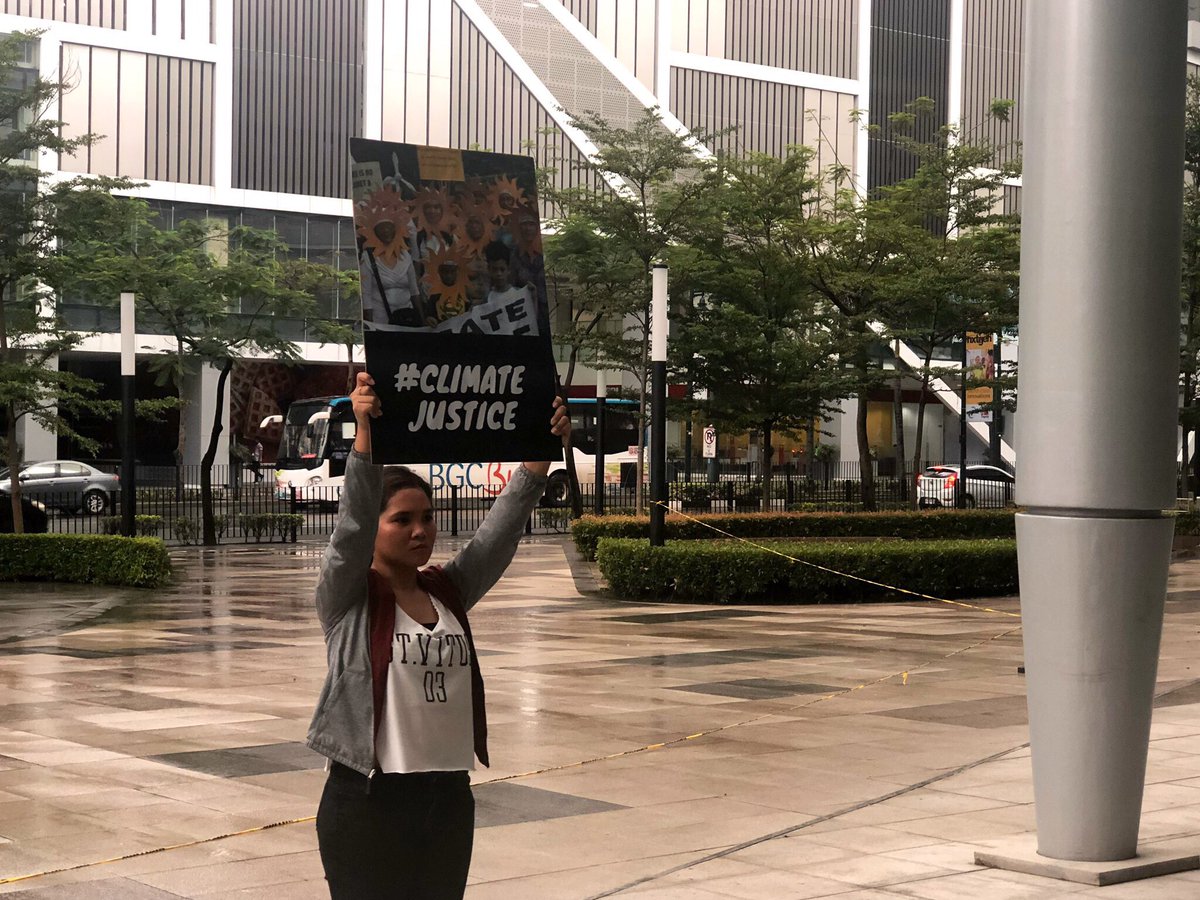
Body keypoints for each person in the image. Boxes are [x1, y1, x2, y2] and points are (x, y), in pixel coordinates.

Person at [309, 371, 569, 900]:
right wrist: (366, 434)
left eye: (426, 518)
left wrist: (539, 455)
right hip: (368, 802)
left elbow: (497, 536)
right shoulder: (348, 598)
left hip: (447, 800)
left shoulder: (446, 591)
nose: (420, 530)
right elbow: (351, 530)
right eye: (402, 519)